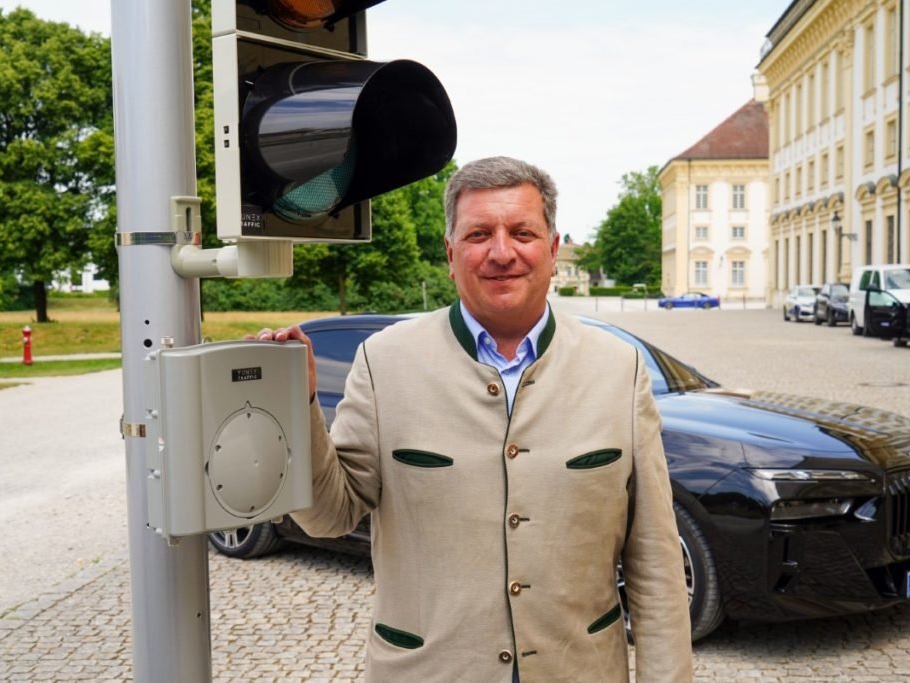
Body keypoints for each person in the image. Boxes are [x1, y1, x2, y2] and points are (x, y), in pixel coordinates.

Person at [255, 156, 692, 681]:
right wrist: (298, 410)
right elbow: (329, 518)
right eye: (479, 234)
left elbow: (656, 564)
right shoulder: (383, 361)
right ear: (450, 253)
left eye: (523, 232)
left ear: (553, 251)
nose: (502, 252)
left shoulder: (618, 370)